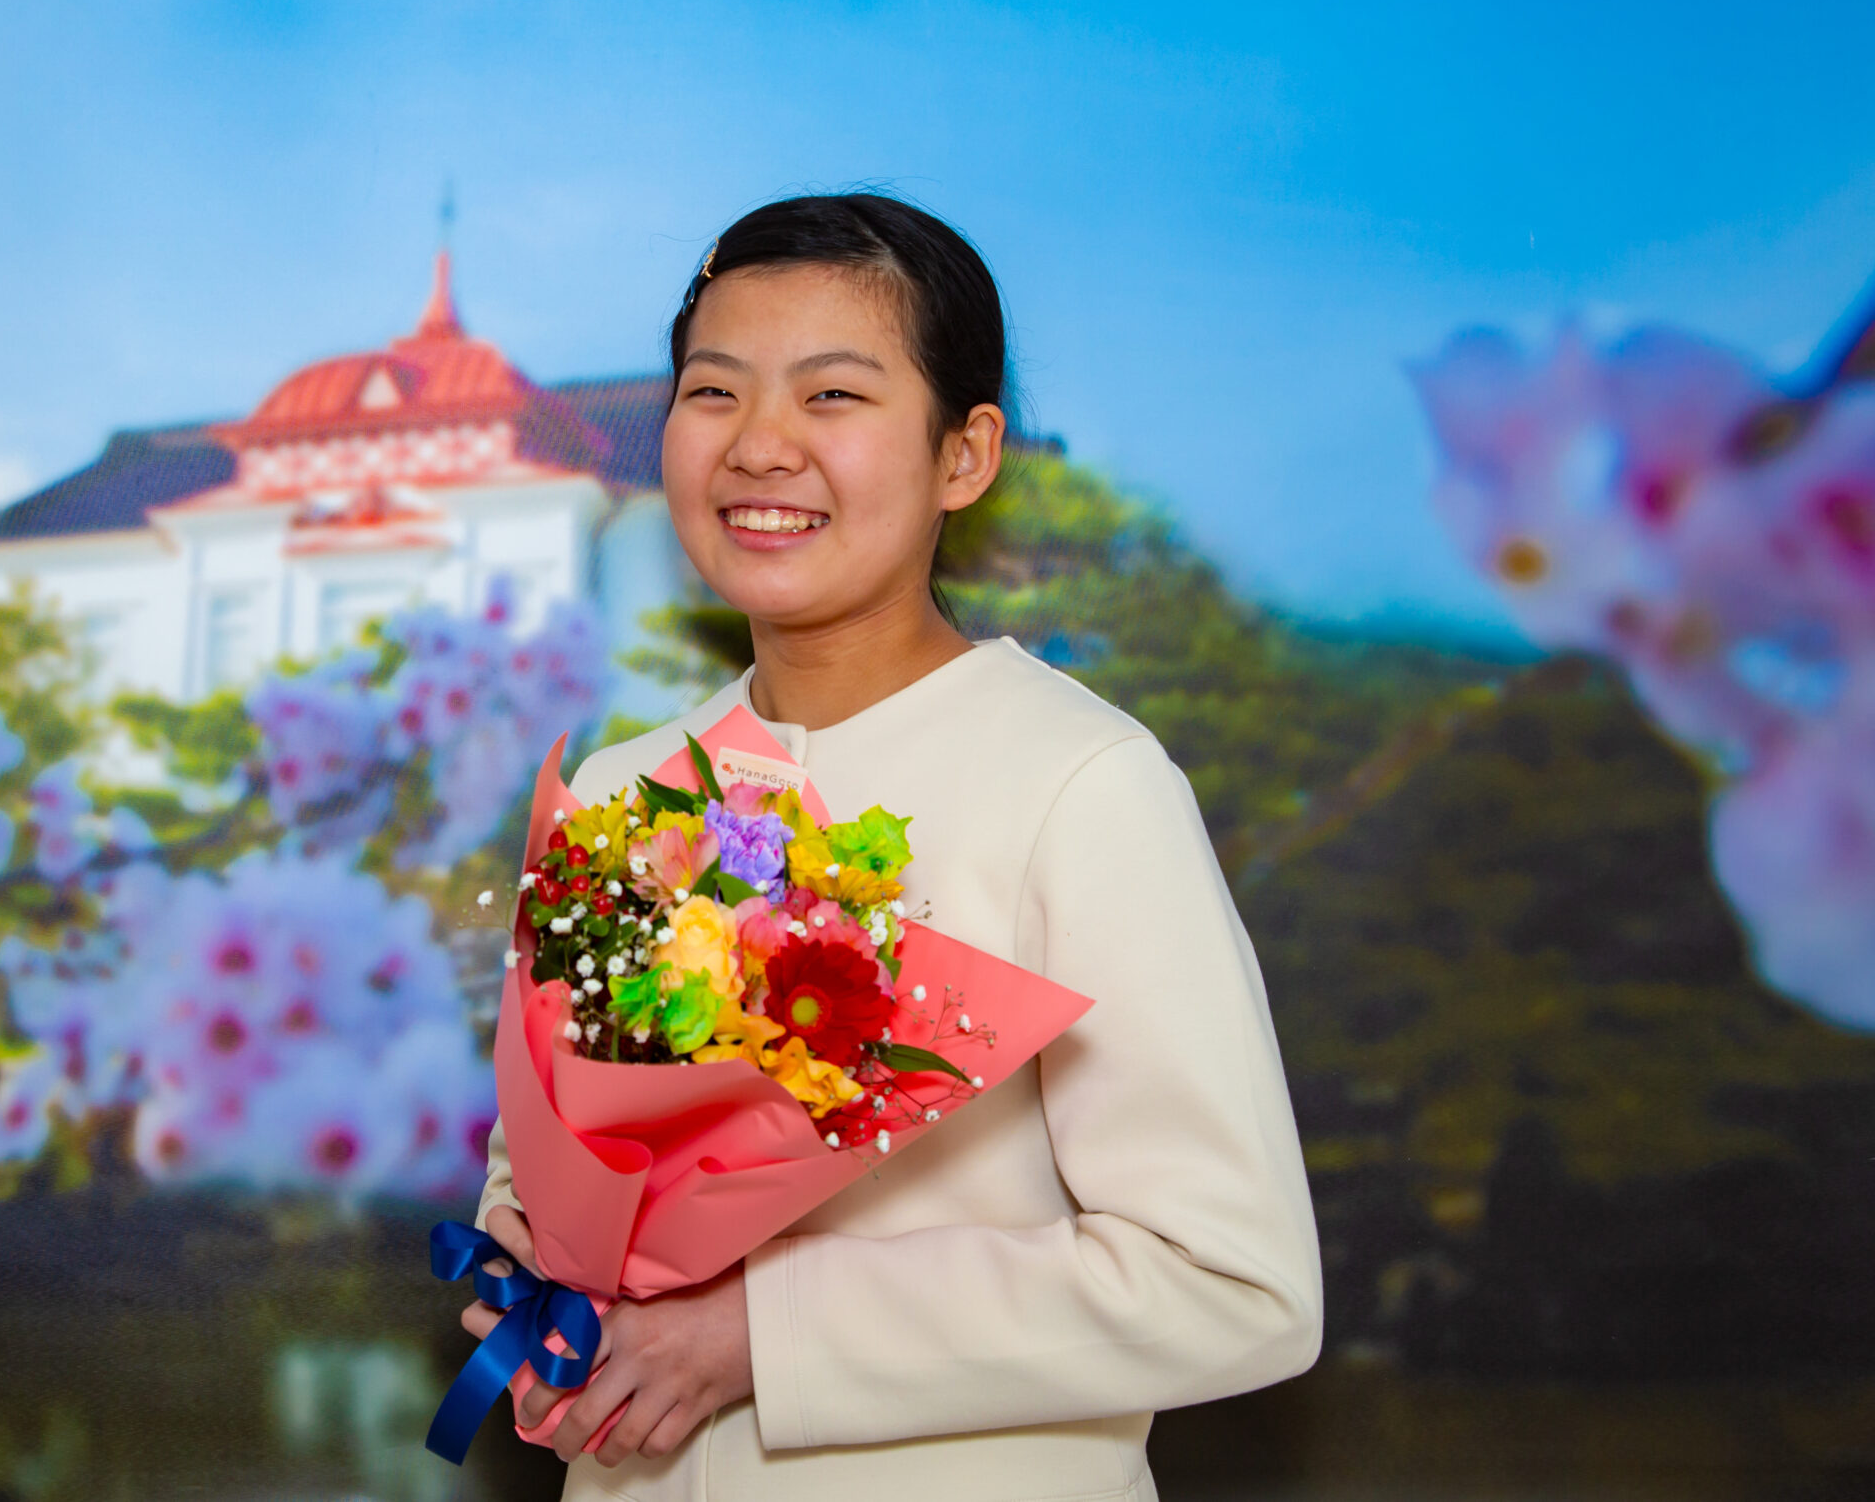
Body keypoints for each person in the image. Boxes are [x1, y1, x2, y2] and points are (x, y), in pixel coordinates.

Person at [465, 194, 1321, 1502]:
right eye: (714, 392)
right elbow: (540, 1160)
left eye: (833, 396)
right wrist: (530, 1270)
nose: (760, 446)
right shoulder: (620, 787)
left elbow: (1231, 1282)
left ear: (964, 455)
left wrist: (763, 1335)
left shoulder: (1080, 783)